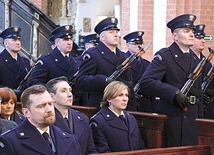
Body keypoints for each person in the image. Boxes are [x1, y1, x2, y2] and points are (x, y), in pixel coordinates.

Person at [139, 14, 200, 147]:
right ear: (175, 36)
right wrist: (173, 92)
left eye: (192, 32)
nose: (191, 35)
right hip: (173, 118)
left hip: (191, 118)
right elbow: (146, 82)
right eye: (186, 31)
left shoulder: (195, 59)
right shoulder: (165, 56)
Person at [0, 84, 81, 155]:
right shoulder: (10, 142)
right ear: (26, 112)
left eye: (50, 104)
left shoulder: (70, 139)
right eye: (41, 106)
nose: (49, 109)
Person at [75, 17, 136, 110]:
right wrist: (103, 80)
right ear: (102, 37)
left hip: (122, 107)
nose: (116, 35)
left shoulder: (123, 56)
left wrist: (132, 108)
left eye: (116, 32)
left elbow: (129, 84)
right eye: (111, 32)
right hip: (101, 105)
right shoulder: (93, 54)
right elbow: (81, 81)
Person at [46, 76, 97, 155]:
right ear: (52, 97)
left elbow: (91, 150)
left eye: (70, 90)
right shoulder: (45, 120)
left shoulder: (83, 119)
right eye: (63, 91)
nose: (70, 94)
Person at [90, 81, 146, 153]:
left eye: (126, 95)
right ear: (109, 98)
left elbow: (141, 147)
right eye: (120, 95)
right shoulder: (98, 121)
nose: (125, 99)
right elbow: (102, 151)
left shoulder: (131, 119)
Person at [123, 31, 157, 112]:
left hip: (145, 104)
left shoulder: (147, 64)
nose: (139, 46)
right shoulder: (123, 61)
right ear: (127, 45)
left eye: (141, 44)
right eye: (135, 44)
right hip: (128, 102)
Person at [0, 27, 31, 97]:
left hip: (23, 100)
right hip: (5, 100)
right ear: (6, 43)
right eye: (14, 40)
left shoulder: (25, 61)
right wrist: (11, 91)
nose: (18, 43)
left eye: (19, 40)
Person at [190, 24, 213, 118]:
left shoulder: (207, 63)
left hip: (204, 109)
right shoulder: (186, 60)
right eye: (199, 38)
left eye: (203, 38)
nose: (203, 41)